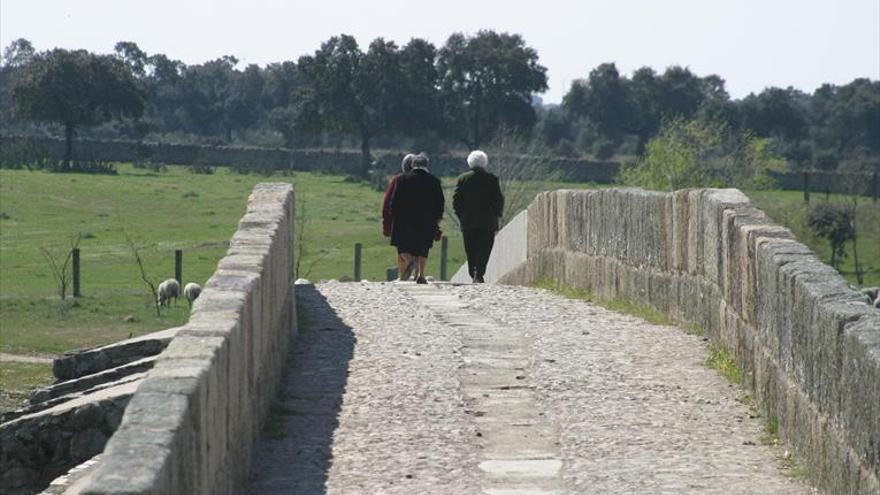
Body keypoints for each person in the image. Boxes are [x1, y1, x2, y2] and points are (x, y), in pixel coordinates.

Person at [389, 153, 445, 284]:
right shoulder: (434, 181)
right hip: (427, 221)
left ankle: (410, 261)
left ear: (412, 165)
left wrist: (395, 216)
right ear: (427, 165)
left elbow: (394, 202)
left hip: (405, 220)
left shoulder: (402, 179)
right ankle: (421, 274)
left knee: (402, 245)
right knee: (423, 247)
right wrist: (437, 219)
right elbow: (440, 203)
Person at [453, 150, 504, 283]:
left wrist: (460, 215)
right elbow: (498, 200)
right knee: (485, 248)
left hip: (468, 222)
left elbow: (456, 200)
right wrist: (497, 214)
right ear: (485, 163)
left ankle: (472, 271)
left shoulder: (463, 179)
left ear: (470, 162)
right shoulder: (492, 179)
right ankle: (479, 273)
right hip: (487, 222)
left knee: (470, 248)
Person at [382, 153, 416, 279]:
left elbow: (387, 202)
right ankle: (415, 274)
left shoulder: (397, 180)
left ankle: (405, 275)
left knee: (401, 248)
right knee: (417, 248)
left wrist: (386, 224)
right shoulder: (421, 180)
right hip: (418, 221)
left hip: (400, 221)